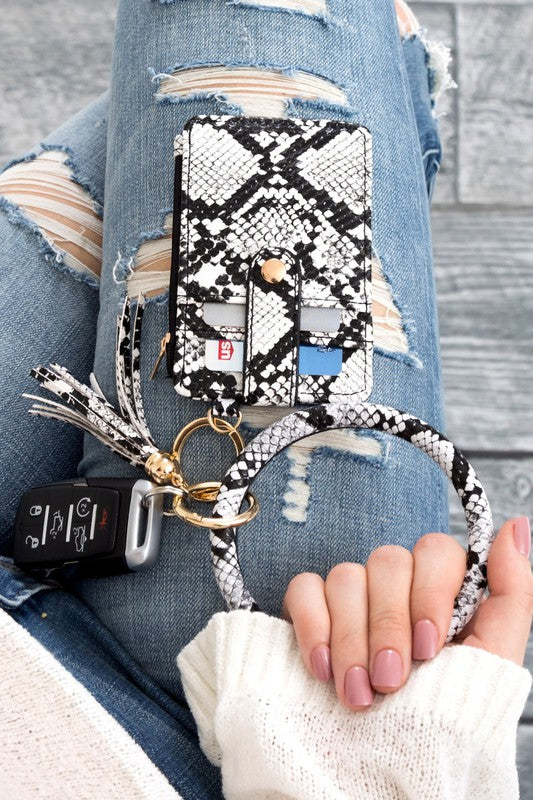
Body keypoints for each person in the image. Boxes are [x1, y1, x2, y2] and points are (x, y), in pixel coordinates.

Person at [0, 0, 531, 797]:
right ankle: (393, 73)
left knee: (277, 67)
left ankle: (393, 73)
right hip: (228, 703)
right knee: (286, 54)